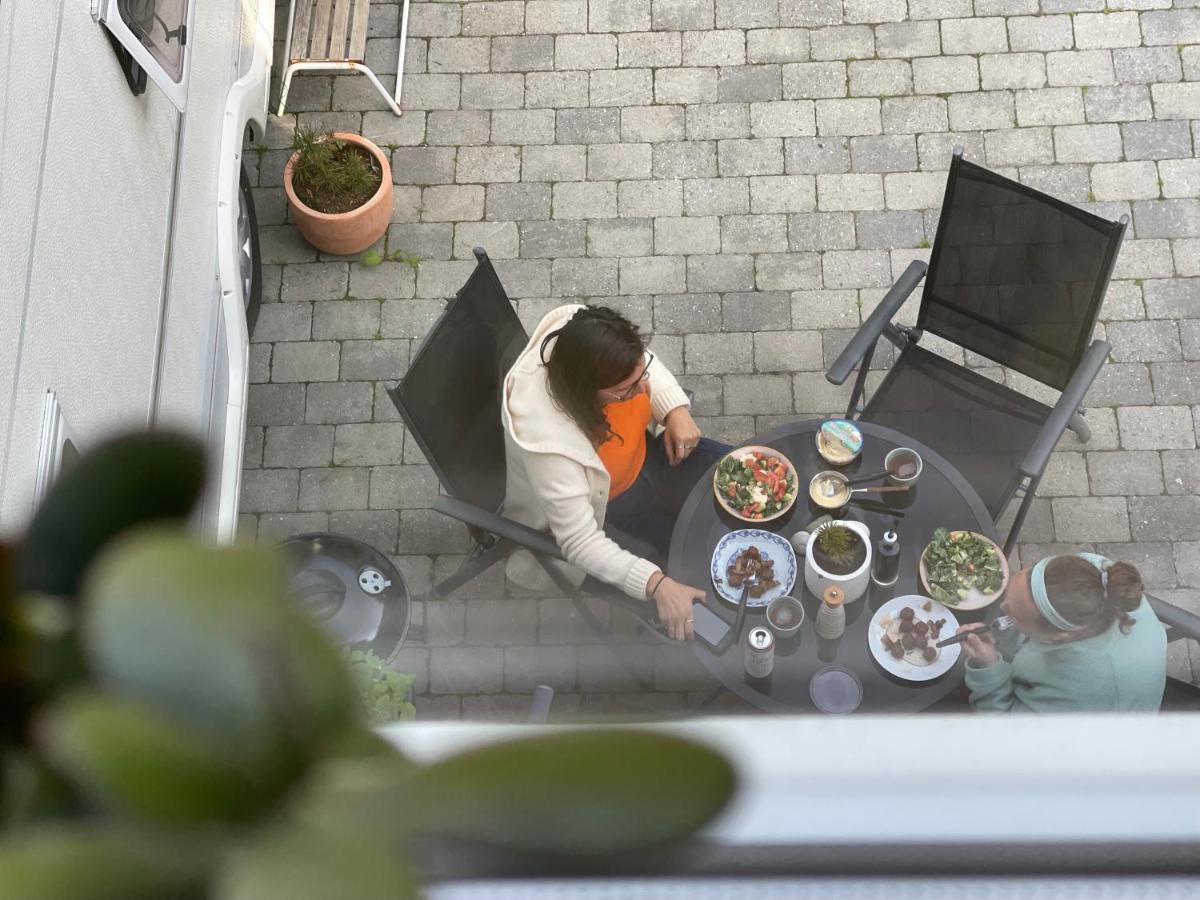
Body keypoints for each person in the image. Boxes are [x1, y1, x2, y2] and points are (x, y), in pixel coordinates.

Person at [501, 304, 729, 641]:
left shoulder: (581, 333)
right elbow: (579, 541)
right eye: (627, 390)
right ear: (586, 390)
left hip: (652, 458)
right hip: (610, 512)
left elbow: (641, 361)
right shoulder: (548, 448)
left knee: (741, 476)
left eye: (641, 377)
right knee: (700, 582)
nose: (643, 390)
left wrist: (675, 408)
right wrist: (656, 584)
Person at [957, 552, 1166, 712]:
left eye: (1013, 615)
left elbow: (1009, 733)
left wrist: (989, 667)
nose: (1002, 610)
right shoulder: (1093, 572)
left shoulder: (1077, 690)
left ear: (1059, 636)